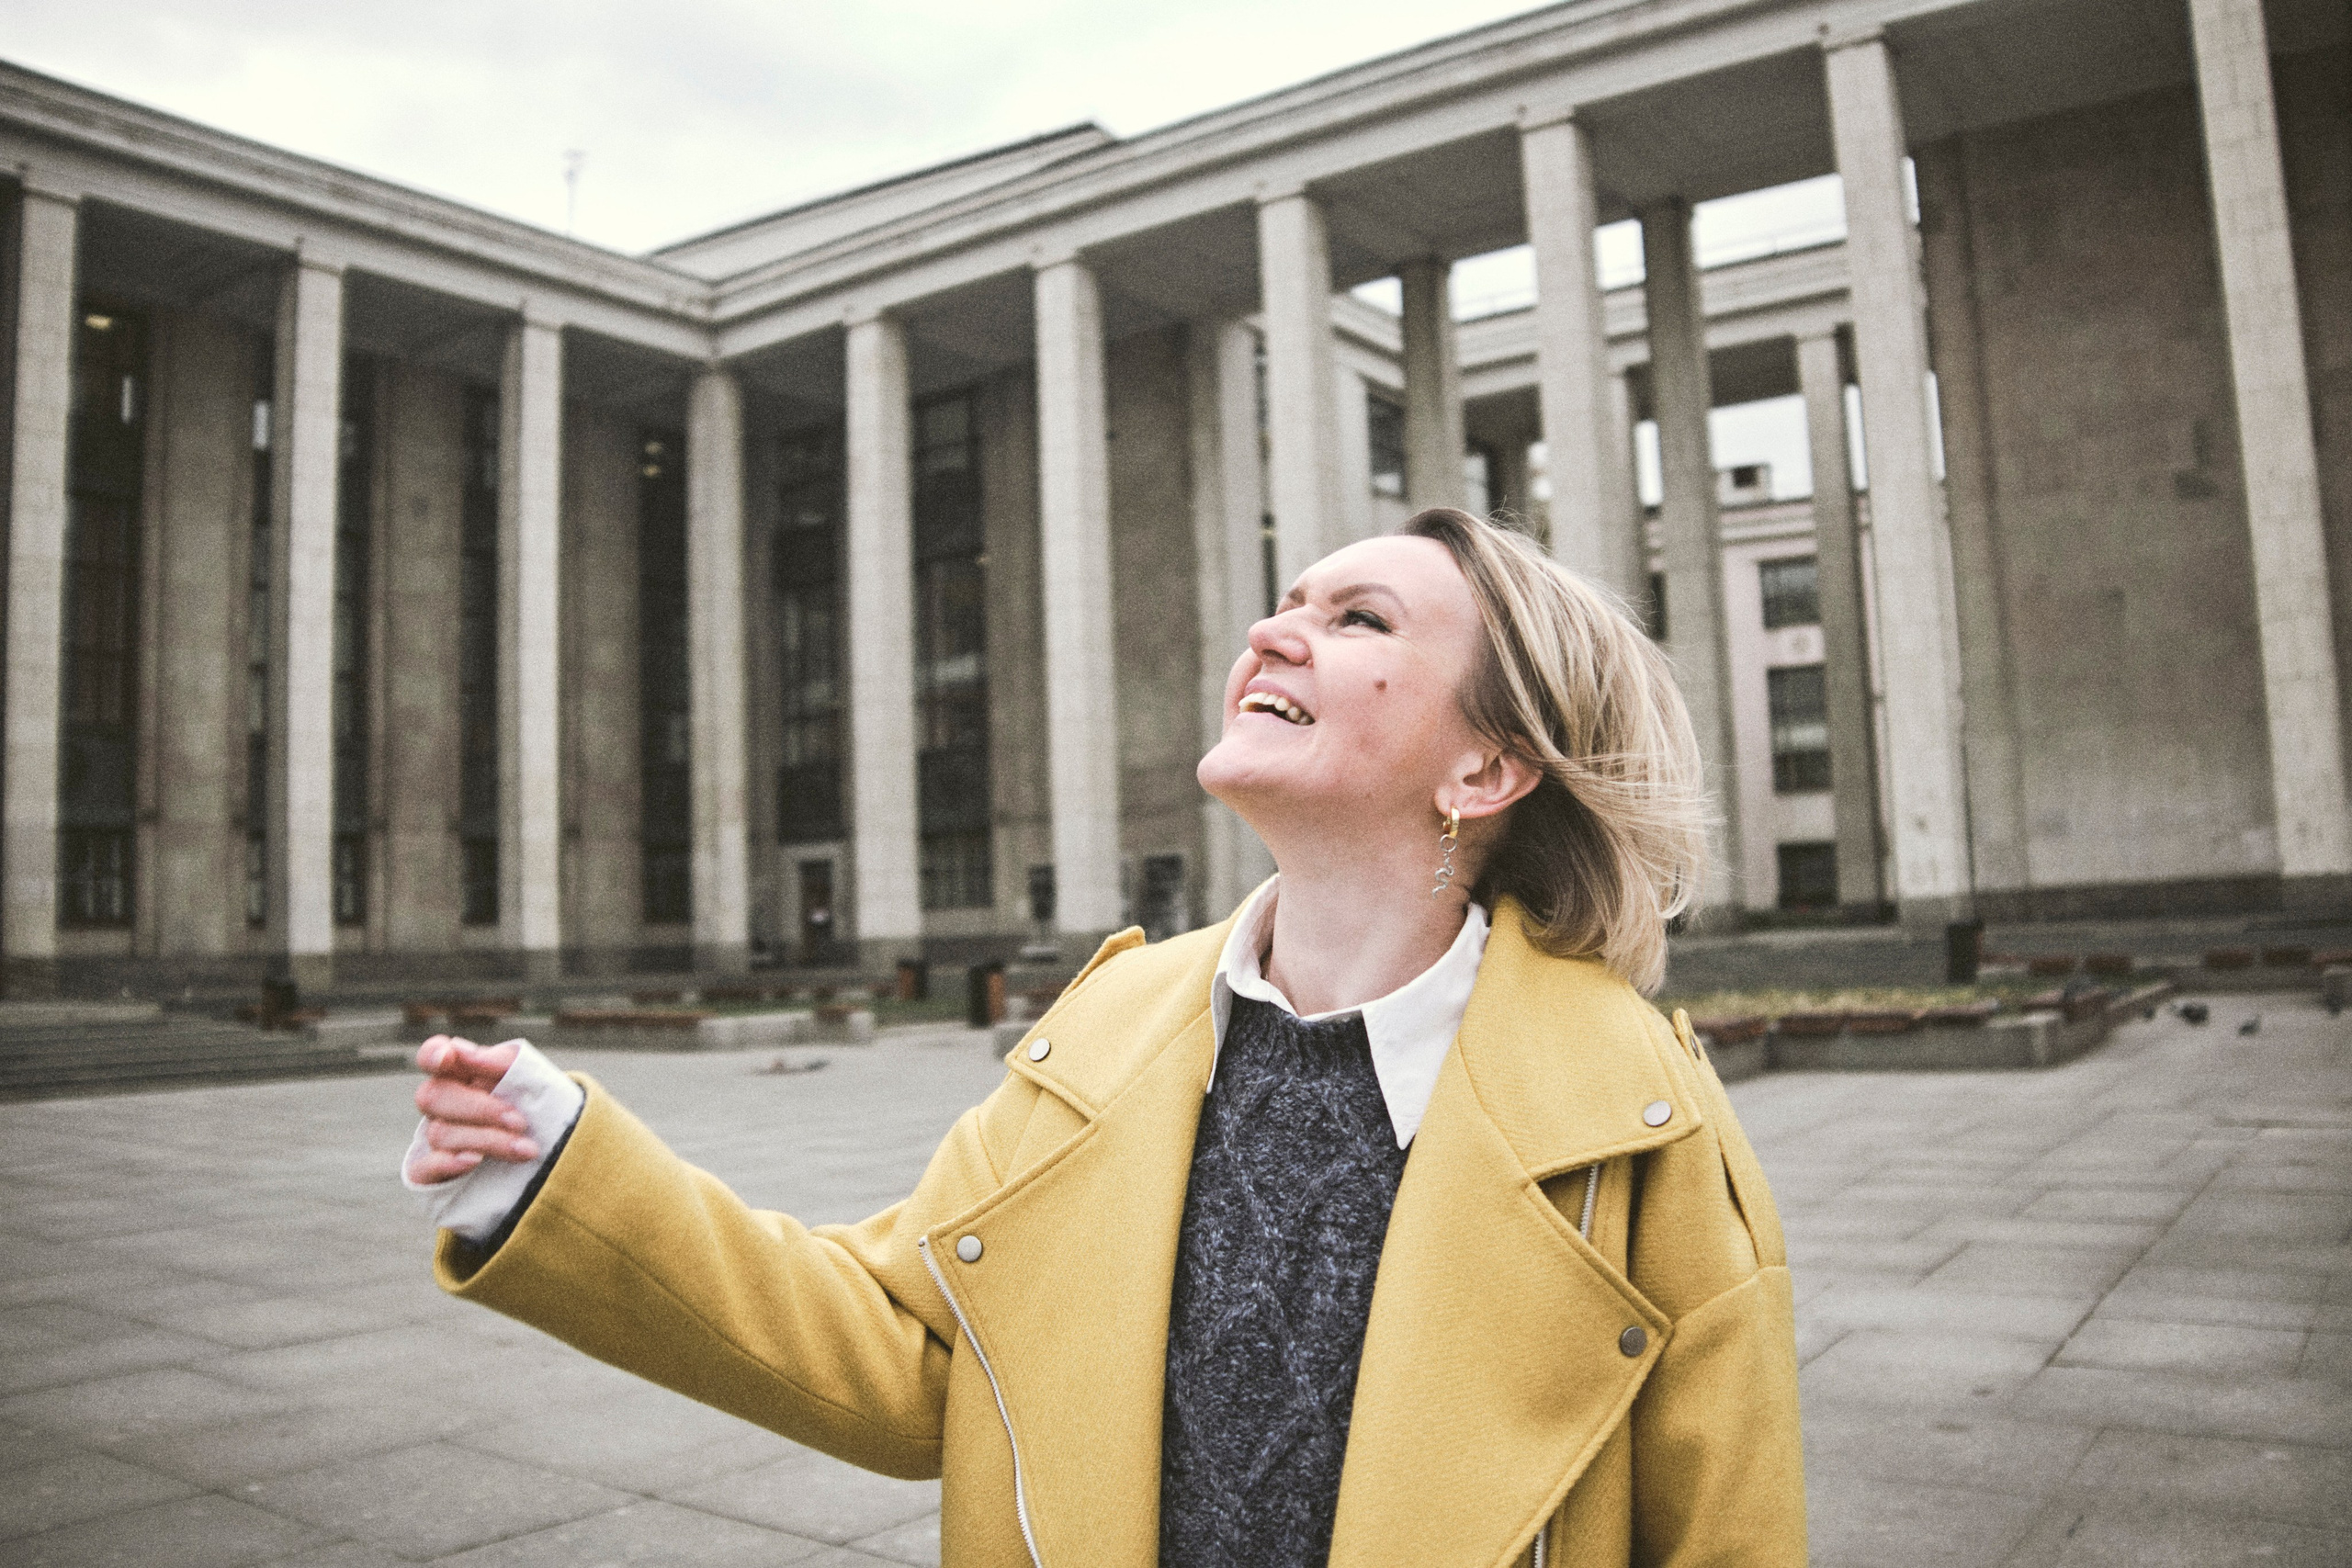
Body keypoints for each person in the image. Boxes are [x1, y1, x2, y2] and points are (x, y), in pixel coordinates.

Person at [405, 507, 1805, 1567]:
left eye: (1361, 620)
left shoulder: (1637, 1119)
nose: (1271, 631)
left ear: (1487, 768)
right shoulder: (1113, 1029)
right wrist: (567, 1173)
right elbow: (913, 1364)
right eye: (1284, 602)